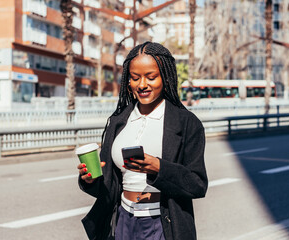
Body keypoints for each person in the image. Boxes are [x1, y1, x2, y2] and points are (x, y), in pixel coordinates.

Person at [78, 42, 208, 240]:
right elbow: (109, 187)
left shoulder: (186, 122)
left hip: (161, 223)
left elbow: (197, 184)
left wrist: (158, 168)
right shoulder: (118, 121)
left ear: (165, 77)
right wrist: (90, 180)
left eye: (151, 77)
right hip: (122, 220)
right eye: (135, 77)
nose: (142, 84)